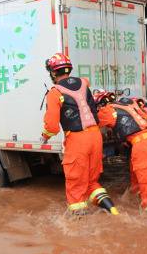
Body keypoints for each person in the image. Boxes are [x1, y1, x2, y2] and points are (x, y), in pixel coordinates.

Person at [41, 53, 117, 216]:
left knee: (76, 186)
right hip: (96, 136)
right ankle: (114, 212)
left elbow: (52, 126)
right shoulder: (83, 83)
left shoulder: (54, 93)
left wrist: (44, 137)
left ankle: (78, 227)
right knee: (91, 182)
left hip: (77, 140)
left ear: (54, 73)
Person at [94, 92, 147, 212]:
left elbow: (92, 124)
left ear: (101, 105)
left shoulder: (108, 110)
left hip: (142, 146)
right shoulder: (132, 106)